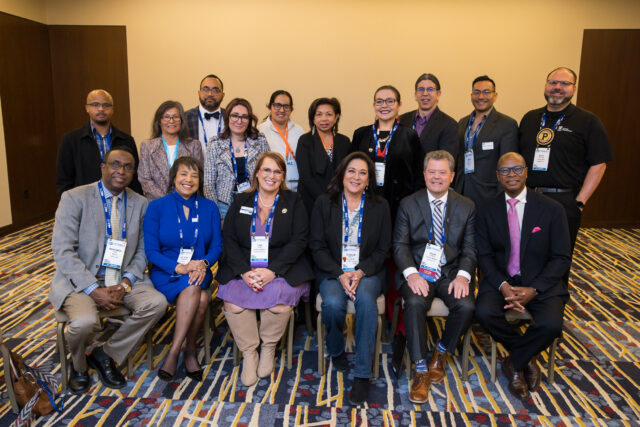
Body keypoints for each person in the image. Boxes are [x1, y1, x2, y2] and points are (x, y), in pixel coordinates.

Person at [49, 146, 167, 393]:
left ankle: (106, 354)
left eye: (127, 167)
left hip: (122, 278)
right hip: (81, 280)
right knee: (84, 322)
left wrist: (125, 283)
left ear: (133, 173)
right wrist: (93, 289)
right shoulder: (74, 198)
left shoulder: (140, 203)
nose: (121, 171)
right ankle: (79, 366)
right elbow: (63, 251)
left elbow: (143, 250)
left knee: (156, 303)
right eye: (115, 165)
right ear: (103, 167)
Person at [475, 152, 571, 399]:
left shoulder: (552, 209)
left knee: (551, 325)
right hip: (501, 280)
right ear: (498, 176)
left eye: (517, 169)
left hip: (540, 281)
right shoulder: (486, 210)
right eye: (505, 171)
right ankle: (526, 357)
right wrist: (502, 285)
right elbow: (484, 255)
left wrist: (534, 289)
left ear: (526, 172)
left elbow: (561, 258)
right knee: (483, 313)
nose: (512, 175)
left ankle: (514, 361)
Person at [216, 152, 313, 386]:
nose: (272, 175)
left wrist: (273, 271)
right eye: (267, 170)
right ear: (257, 173)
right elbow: (229, 239)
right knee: (234, 303)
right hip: (244, 267)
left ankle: (268, 347)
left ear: (283, 176)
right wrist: (243, 272)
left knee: (279, 300)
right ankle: (250, 352)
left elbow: (299, 240)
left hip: (282, 268)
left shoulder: (294, 201)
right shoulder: (241, 200)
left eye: (277, 171)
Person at [393, 150, 476, 404]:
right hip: (419, 271)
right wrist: (411, 274)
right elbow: (400, 245)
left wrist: (463, 276)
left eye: (442, 172)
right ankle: (420, 369)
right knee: (414, 302)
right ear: (424, 174)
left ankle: (441, 352)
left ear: (452, 176)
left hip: (450, 272)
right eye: (432, 172)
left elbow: (470, 249)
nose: (436, 177)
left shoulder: (467, 206)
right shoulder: (408, 203)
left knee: (467, 305)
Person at [309, 152, 391, 405]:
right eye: (351, 171)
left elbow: (383, 249)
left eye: (363, 173)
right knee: (333, 304)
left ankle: (362, 375)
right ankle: (336, 349)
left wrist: (361, 271)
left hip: (368, 271)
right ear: (342, 174)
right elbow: (316, 245)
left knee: (365, 300)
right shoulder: (325, 203)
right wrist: (339, 273)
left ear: (369, 179)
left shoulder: (380, 206)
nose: (356, 177)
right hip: (333, 270)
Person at [143, 156, 223, 381]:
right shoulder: (157, 207)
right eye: (183, 174)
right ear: (173, 178)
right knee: (202, 299)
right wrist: (178, 267)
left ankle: (175, 352)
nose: (189, 180)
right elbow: (151, 251)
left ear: (200, 180)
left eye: (194, 175)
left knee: (194, 285)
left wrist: (203, 264)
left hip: (199, 270)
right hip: (167, 271)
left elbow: (217, 246)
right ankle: (187, 351)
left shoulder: (209, 207)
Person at [518, 67, 613, 252]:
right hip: (528, 197)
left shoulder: (588, 121)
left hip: (563, 201)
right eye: (553, 82)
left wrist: (580, 202)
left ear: (574, 88)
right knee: (525, 252)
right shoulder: (530, 118)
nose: (557, 87)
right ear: (546, 85)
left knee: (558, 255)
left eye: (564, 83)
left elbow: (599, 164)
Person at [351, 85, 422, 222]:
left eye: (390, 101)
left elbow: (418, 173)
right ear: (374, 105)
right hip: (366, 200)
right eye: (379, 101)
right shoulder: (361, 134)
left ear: (399, 105)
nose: (384, 105)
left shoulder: (409, 135)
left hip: (399, 204)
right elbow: (349, 168)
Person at [56, 89, 142, 197]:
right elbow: (64, 180)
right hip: (85, 201)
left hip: (121, 200)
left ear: (112, 109)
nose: (101, 109)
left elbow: (135, 178)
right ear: (87, 108)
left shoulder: (126, 140)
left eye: (106, 105)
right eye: (95, 104)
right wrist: (71, 202)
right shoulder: (71, 140)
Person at [455, 76, 519, 208]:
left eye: (486, 92)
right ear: (471, 95)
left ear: (495, 96)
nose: (481, 96)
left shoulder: (507, 124)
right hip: (461, 193)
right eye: (476, 92)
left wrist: (501, 198)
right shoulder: (462, 122)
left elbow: (507, 165)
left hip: (490, 196)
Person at [203, 98, 269, 219]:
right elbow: (208, 184)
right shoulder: (215, 144)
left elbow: (268, 174)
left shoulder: (260, 141)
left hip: (254, 202)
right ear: (228, 117)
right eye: (235, 115)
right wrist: (217, 215)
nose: (239, 121)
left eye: (244, 117)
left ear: (249, 120)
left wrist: (265, 204)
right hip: (224, 206)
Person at [296, 97, 351, 215]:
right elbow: (305, 176)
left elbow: (348, 172)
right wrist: (325, 199)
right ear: (313, 118)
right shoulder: (305, 141)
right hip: (311, 201)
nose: (324, 119)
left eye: (329, 114)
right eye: (319, 114)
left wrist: (336, 196)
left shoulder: (344, 141)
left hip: (339, 199)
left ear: (336, 117)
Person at [138, 101, 204, 201]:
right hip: (158, 203)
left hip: (187, 201)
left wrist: (181, 198)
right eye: (166, 117)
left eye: (175, 117)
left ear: (181, 120)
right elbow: (145, 179)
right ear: (159, 121)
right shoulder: (147, 147)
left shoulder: (194, 145)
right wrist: (167, 200)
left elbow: (199, 176)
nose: (171, 121)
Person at [399, 73, 458, 163]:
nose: (425, 93)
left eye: (430, 89)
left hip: (431, 172)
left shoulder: (450, 125)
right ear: (415, 95)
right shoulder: (402, 120)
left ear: (438, 94)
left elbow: (447, 163)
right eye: (421, 89)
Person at [257, 90, 304, 191]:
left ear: (291, 109)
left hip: (297, 188)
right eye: (277, 105)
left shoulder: (299, 131)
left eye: (286, 106)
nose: (282, 110)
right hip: (271, 186)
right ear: (270, 107)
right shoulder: (260, 131)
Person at [184, 74, 226, 155]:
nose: (210, 94)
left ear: (223, 95)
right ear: (199, 93)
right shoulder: (185, 118)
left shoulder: (231, 117)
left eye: (215, 90)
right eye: (206, 89)